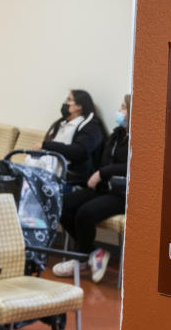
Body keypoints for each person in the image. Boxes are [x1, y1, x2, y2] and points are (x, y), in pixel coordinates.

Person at [53, 94, 130, 283]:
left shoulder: (141, 140)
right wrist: (100, 175)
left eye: (123, 108)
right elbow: (104, 161)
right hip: (103, 188)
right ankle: (92, 252)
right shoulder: (116, 135)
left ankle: (81, 258)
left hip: (122, 194)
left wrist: (103, 173)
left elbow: (131, 166)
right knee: (62, 205)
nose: (119, 112)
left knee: (85, 213)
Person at [35, 89, 108, 189]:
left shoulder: (91, 127)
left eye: (69, 100)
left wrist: (46, 145)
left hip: (73, 180)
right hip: (50, 173)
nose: (65, 103)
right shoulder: (61, 123)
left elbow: (79, 151)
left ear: (79, 106)